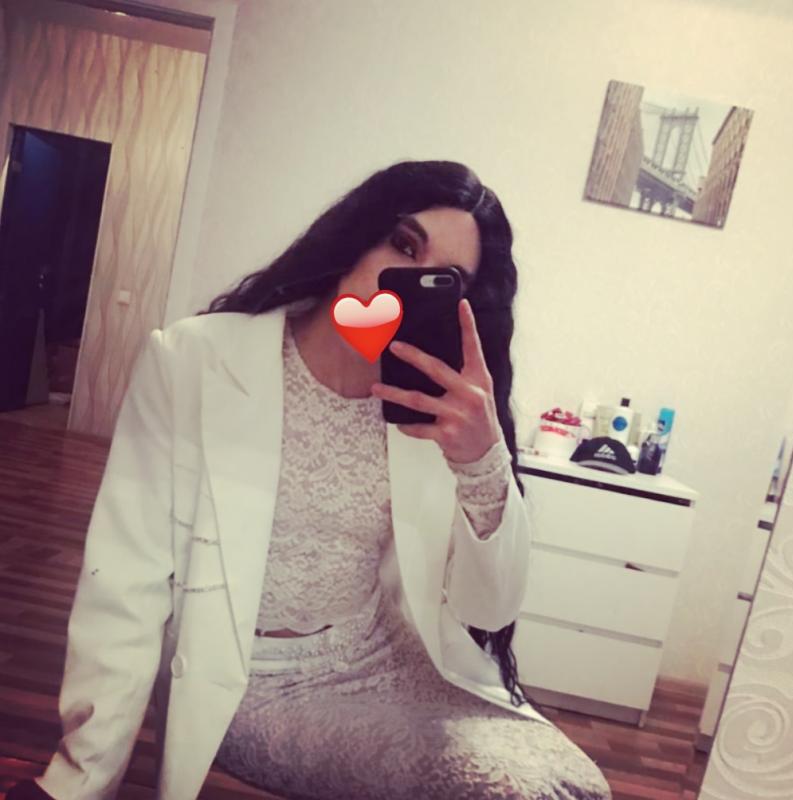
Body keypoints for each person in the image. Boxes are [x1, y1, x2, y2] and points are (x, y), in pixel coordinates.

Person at [10, 161, 612, 800]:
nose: (409, 280)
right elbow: (123, 584)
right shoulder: (195, 360)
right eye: (404, 245)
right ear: (358, 233)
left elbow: (488, 608)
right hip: (250, 678)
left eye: (443, 279)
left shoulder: (431, 411)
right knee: (505, 789)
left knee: (579, 785)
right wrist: (82, 777)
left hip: (382, 654)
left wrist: (482, 462)